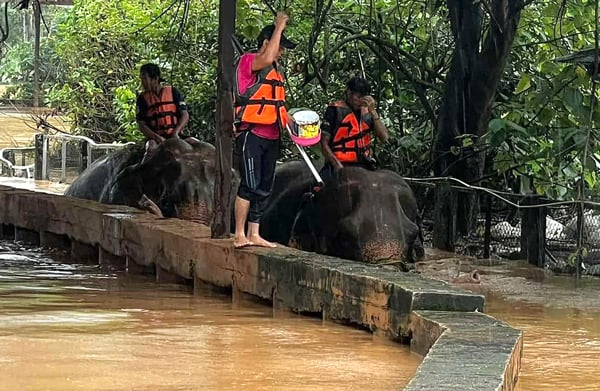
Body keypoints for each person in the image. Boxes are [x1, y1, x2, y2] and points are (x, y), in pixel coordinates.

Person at [232, 12, 296, 248]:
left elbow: (278, 106)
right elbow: (267, 57)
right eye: (280, 46)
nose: (281, 52)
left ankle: (254, 233)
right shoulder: (250, 61)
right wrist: (279, 25)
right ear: (267, 43)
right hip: (251, 134)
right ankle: (239, 233)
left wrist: (294, 123)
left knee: (263, 186)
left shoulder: (275, 73)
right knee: (249, 183)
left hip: (271, 135)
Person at [320, 77, 389, 177]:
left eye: (364, 97)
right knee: (317, 188)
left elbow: (384, 138)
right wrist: (336, 164)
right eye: (358, 97)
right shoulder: (334, 110)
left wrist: (373, 112)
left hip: (364, 164)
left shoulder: (368, 111)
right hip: (339, 163)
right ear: (349, 93)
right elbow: (323, 143)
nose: (361, 101)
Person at [136, 63, 199, 160]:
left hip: (176, 135)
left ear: (155, 78)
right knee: (151, 148)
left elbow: (184, 115)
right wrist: (157, 137)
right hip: (155, 139)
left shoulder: (173, 92)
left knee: (196, 143)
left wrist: (176, 133)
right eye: (141, 79)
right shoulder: (142, 99)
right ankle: (143, 173)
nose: (142, 82)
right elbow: (141, 124)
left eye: (145, 79)